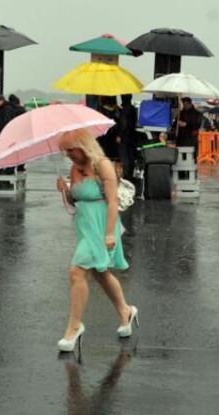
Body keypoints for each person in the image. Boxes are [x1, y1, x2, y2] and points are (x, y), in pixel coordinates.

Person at [54, 129, 137, 353]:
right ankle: (125, 311)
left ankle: (74, 327)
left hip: (102, 226)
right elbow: (76, 199)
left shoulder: (103, 165)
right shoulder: (74, 168)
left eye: (71, 149)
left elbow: (112, 202)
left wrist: (110, 233)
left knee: (76, 271)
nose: (68, 154)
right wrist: (65, 190)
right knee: (100, 272)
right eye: (65, 151)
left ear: (84, 145)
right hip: (84, 226)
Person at [118, 94, 138, 184]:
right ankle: (130, 175)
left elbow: (123, 124)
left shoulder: (124, 110)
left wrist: (119, 135)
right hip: (132, 136)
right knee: (130, 156)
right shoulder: (133, 109)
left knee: (124, 156)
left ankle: (125, 175)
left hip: (125, 137)